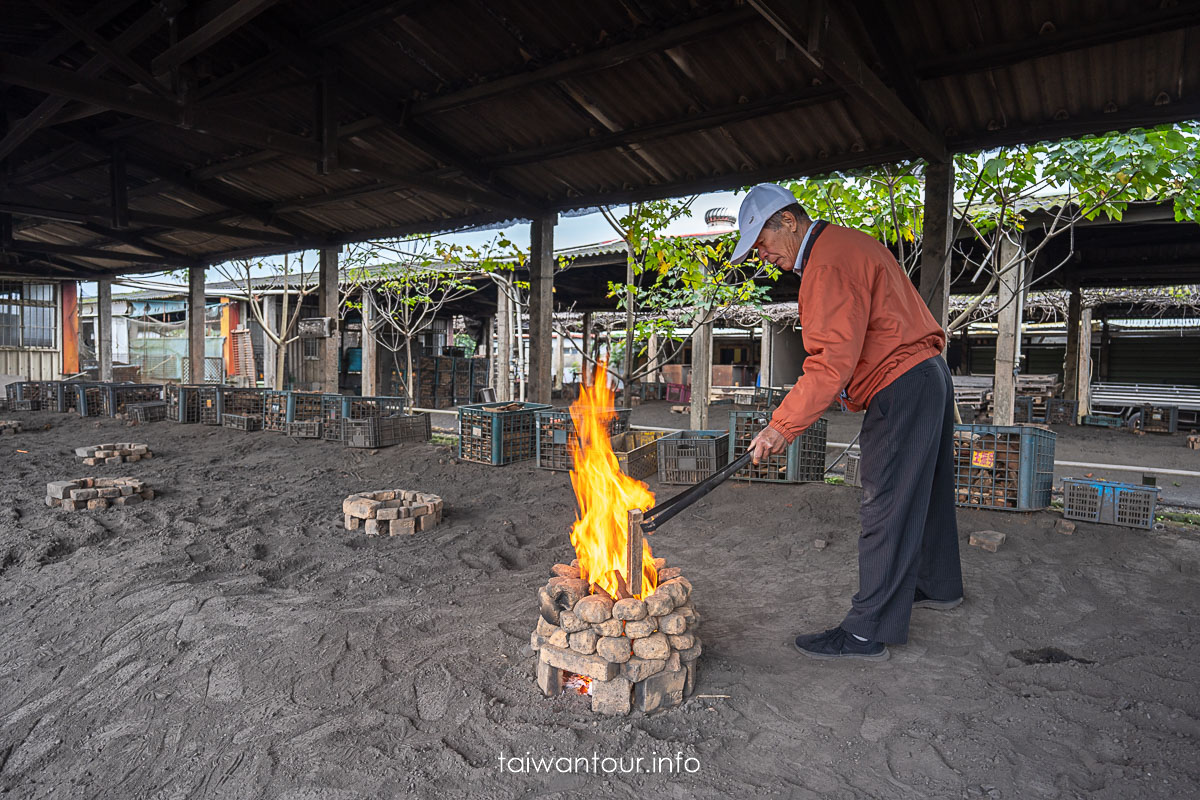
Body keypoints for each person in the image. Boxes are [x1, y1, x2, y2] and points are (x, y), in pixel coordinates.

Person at [734, 183, 964, 662]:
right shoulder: (846, 243)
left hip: (898, 383)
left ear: (789, 221)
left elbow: (829, 361)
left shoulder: (827, 263)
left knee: (885, 502)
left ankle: (865, 633)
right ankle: (939, 585)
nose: (762, 254)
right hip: (927, 375)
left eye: (762, 241)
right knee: (928, 489)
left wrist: (781, 426)